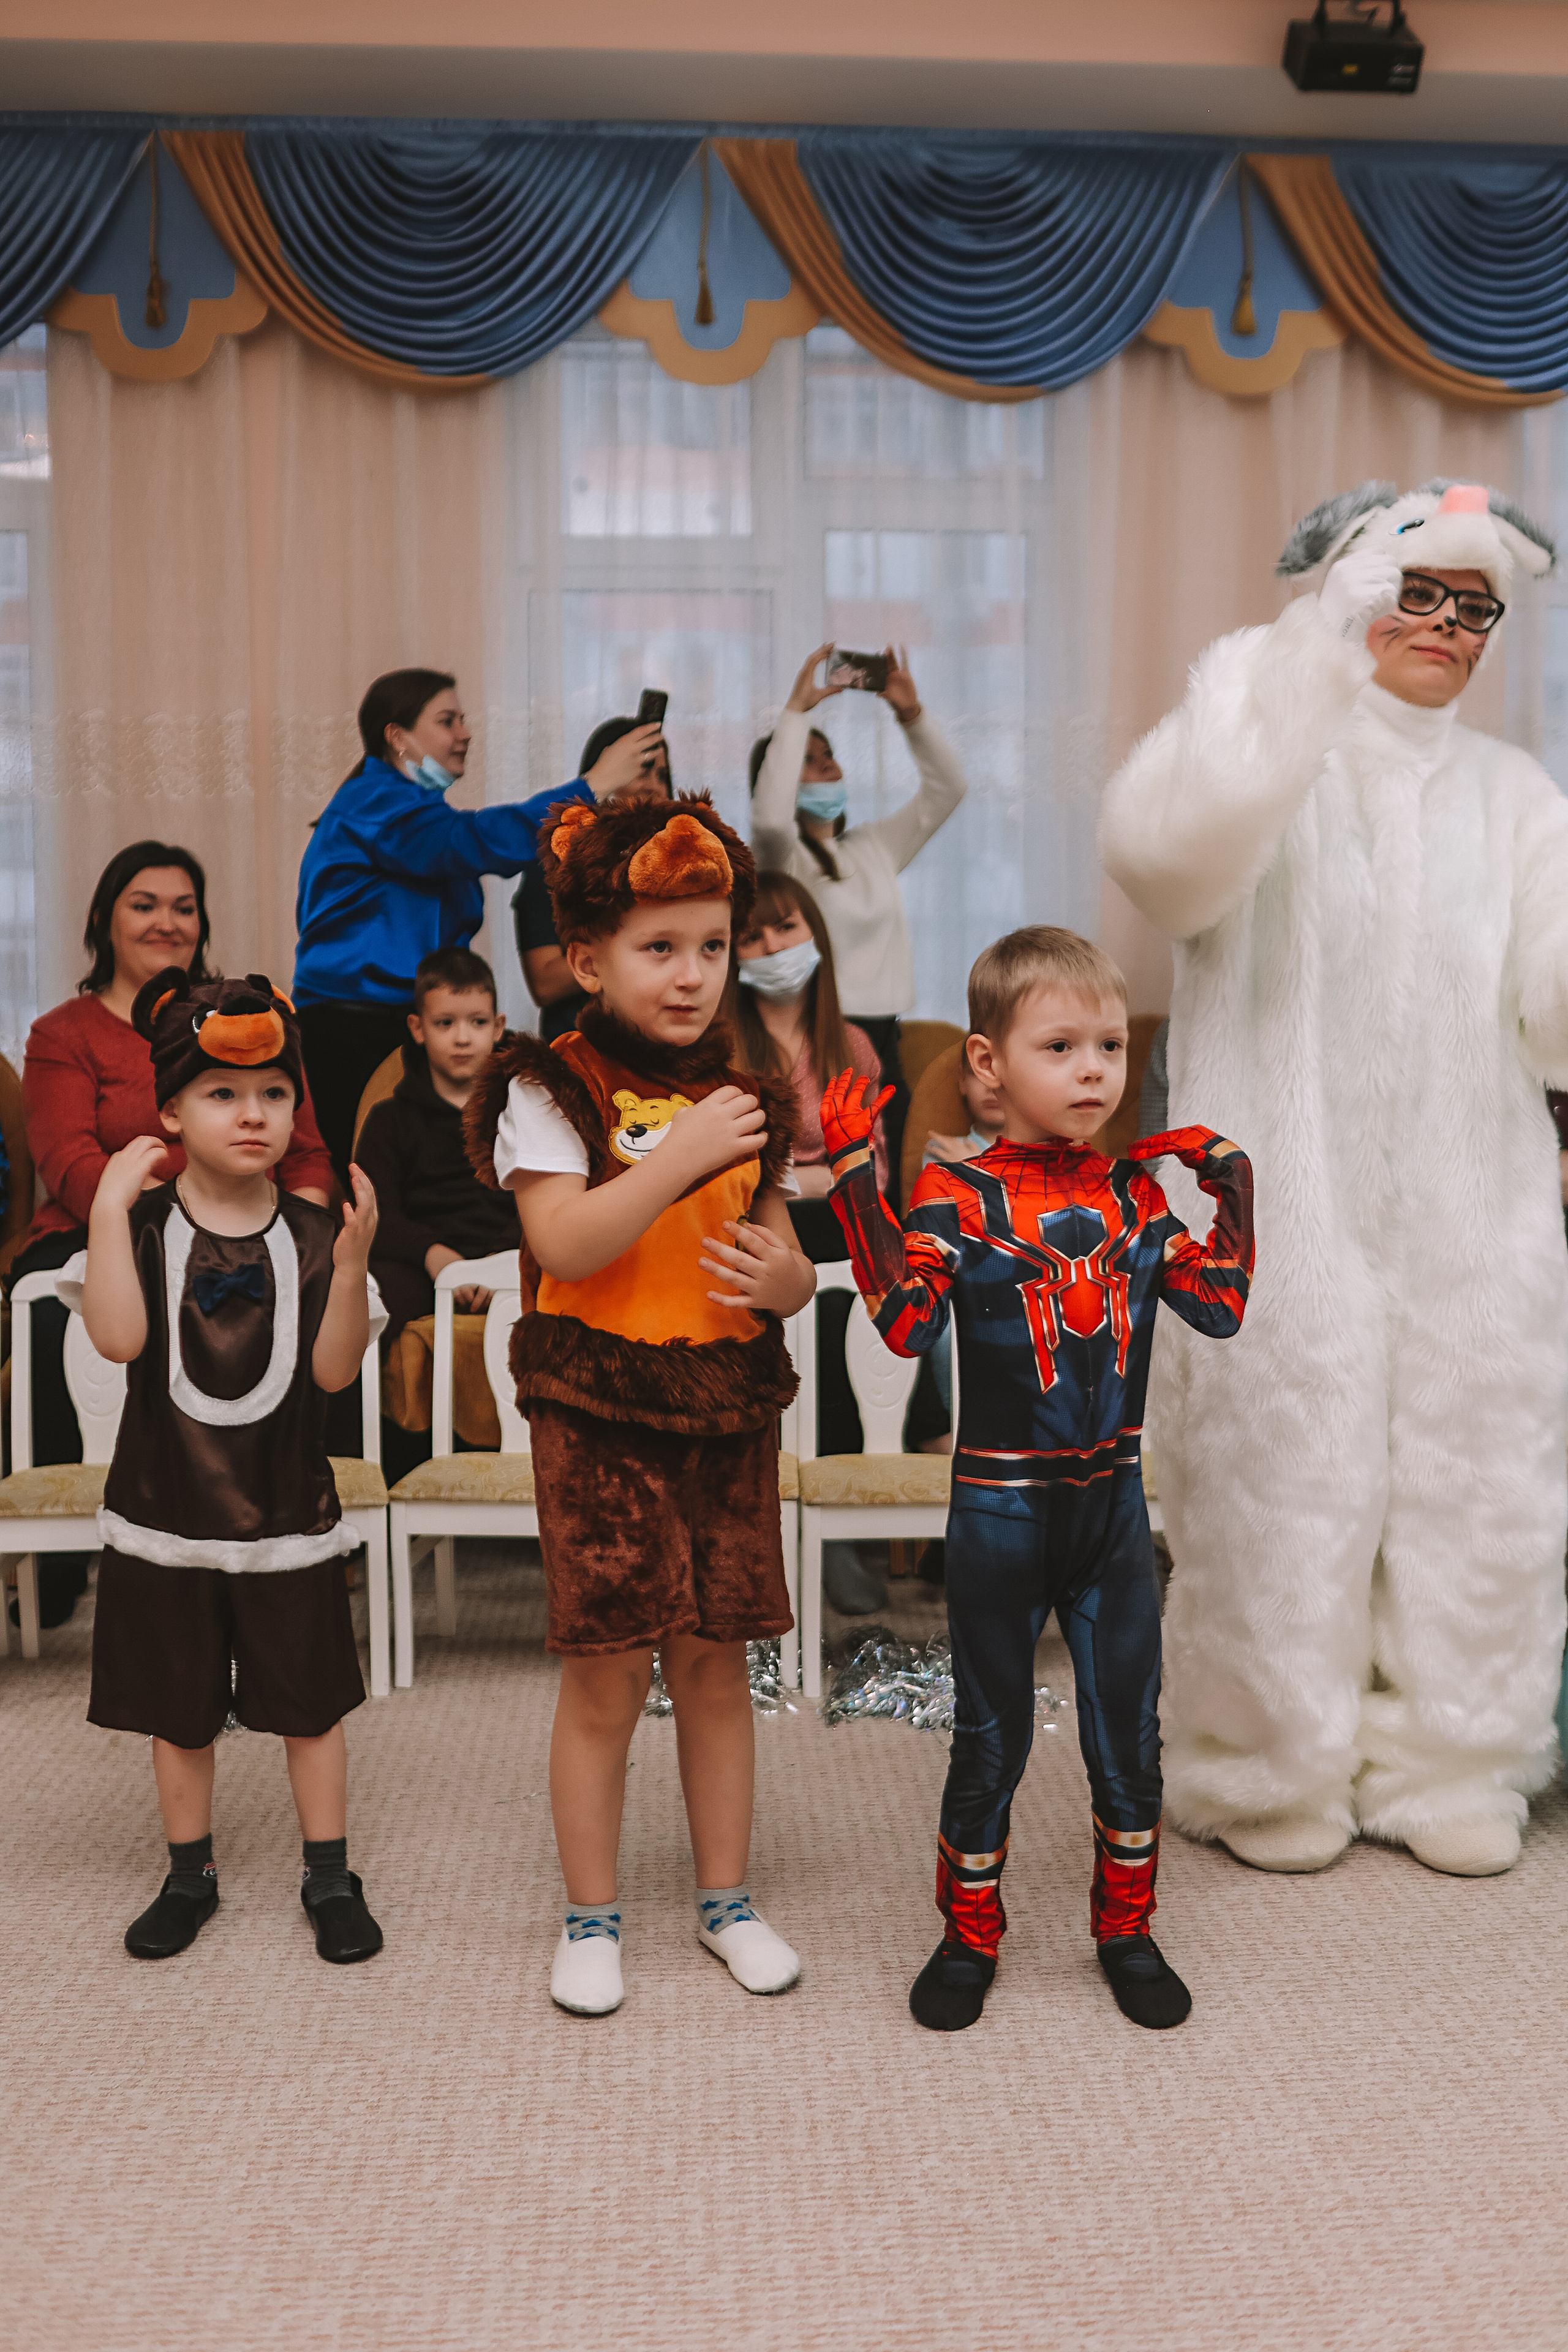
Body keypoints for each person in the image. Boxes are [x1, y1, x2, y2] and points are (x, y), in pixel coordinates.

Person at [1099, 478, 1565, 1880]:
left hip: (1469, 1201)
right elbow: (1161, 860)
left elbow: (1551, 1006)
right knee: (1271, 1473)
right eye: (1417, 593)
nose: (1444, 628)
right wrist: (1304, 661)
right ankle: (1259, 1764)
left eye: (1471, 607)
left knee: (1475, 1475)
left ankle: (1454, 1753)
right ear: (1352, 585)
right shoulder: (1256, 724)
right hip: (1273, 1196)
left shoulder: (1512, 793)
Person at [820, 927, 1253, 2034]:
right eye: (1061, 1045)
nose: (1097, 1068)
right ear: (988, 1064)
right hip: (1000, 1512)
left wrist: (1232, 1190)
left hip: (1112, 1509)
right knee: (990, 1735)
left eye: (1109, 1043)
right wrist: (857, 1187)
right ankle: (969, 1934)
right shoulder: (953, 1199)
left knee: (1129, 1735)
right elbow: (906, 1324)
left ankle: (1127, 1926)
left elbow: (1220, 1306)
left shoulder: (1137, 1200)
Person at [466, 791, 816, 2018]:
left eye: (711, 946)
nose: (690, 975)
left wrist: (792, 1278)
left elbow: (777, 1251)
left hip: (724, 1404)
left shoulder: (751, 1087)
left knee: (717, 1669)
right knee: (606, 1676)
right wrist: (672, 1159)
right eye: (657, 948)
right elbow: (565, 1233)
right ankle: (591, 1914)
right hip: (598, 1408)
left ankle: (725, 1900)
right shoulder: (547, 1084)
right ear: (586, 961)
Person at [72, 969, 385, 1965]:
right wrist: (108, 1210)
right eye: (221, 1094)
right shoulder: (146, 1231)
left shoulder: (310, 1234)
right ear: (170, 1109)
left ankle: (330, 1874)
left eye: (274, 1094)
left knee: (309, 1704)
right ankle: (188, 1872)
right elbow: (120, 1339)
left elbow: (333, 1370)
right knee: (181, 1706)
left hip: (287, 1511)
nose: (253, 1115)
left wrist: (353, 1255)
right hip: (167, 1512)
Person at [13, 842, 333, 1628]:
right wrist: (185, 1207)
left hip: (256, 1226)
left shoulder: (244, 1025)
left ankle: (299, 1540)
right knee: (59, 1319)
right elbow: (70, 1160)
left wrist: (300, 1232)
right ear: (103, 920)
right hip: (111, 1227)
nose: (167, 921)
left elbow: (311, 1155)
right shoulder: (65, 1031)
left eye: (183, 907)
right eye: (144, 904)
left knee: (321, 1305)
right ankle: (60, 1575)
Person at [294, 669, 663, 1185]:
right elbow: (474, 841)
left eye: (463, 719)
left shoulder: (416, 809)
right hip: (355, 1028)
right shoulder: (375, 805)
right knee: (366, 1181)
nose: (465, 732)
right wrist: (594, 786)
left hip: (406, 1017)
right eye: (448, 721)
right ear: (397, 738)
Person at [750, 644, 969, 1199]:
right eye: (808, 757)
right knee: (823, 1189)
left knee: (882, 1191)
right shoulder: (786, 861)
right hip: (818, 1036)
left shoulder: (872, 846)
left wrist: (909, 713)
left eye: (830, 754)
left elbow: (949, 790)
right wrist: (797, 713)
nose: (827, 764)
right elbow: (771, 821)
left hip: (881, 1040)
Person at [731, 869, 891, 1617]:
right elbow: (734, 1159)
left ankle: (844, 1538)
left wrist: (808, 1175)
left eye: (785, 928)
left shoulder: (851, 1044)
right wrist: (814, 1174)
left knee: (847, 1279)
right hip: (749, 1218)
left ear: (815, 935)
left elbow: (874, 1170)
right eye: (754, 935)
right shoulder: (723, 1040)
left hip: (837, 1233)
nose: (771, 945)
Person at [356, 947, 519, 1346]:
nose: (462, 1038)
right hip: (423, 1265)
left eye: (477, 1022)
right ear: (418, 1028)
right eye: (445, 1023)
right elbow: (376, 1213)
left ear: (498, 1027)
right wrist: (433, 1255)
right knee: (373, 1294)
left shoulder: (525, 1111)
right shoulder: (389, 1120)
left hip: (511, 1260)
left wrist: (500, 1264)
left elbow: (545, 1196)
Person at [514, 717, 673, 1042]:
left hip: (663, 1052)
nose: (654, 787)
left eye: (663, 776)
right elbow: (545, 984)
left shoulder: (680, 866)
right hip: (580, 1057)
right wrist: (630, 940)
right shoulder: (556, 864)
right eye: (643, 770)